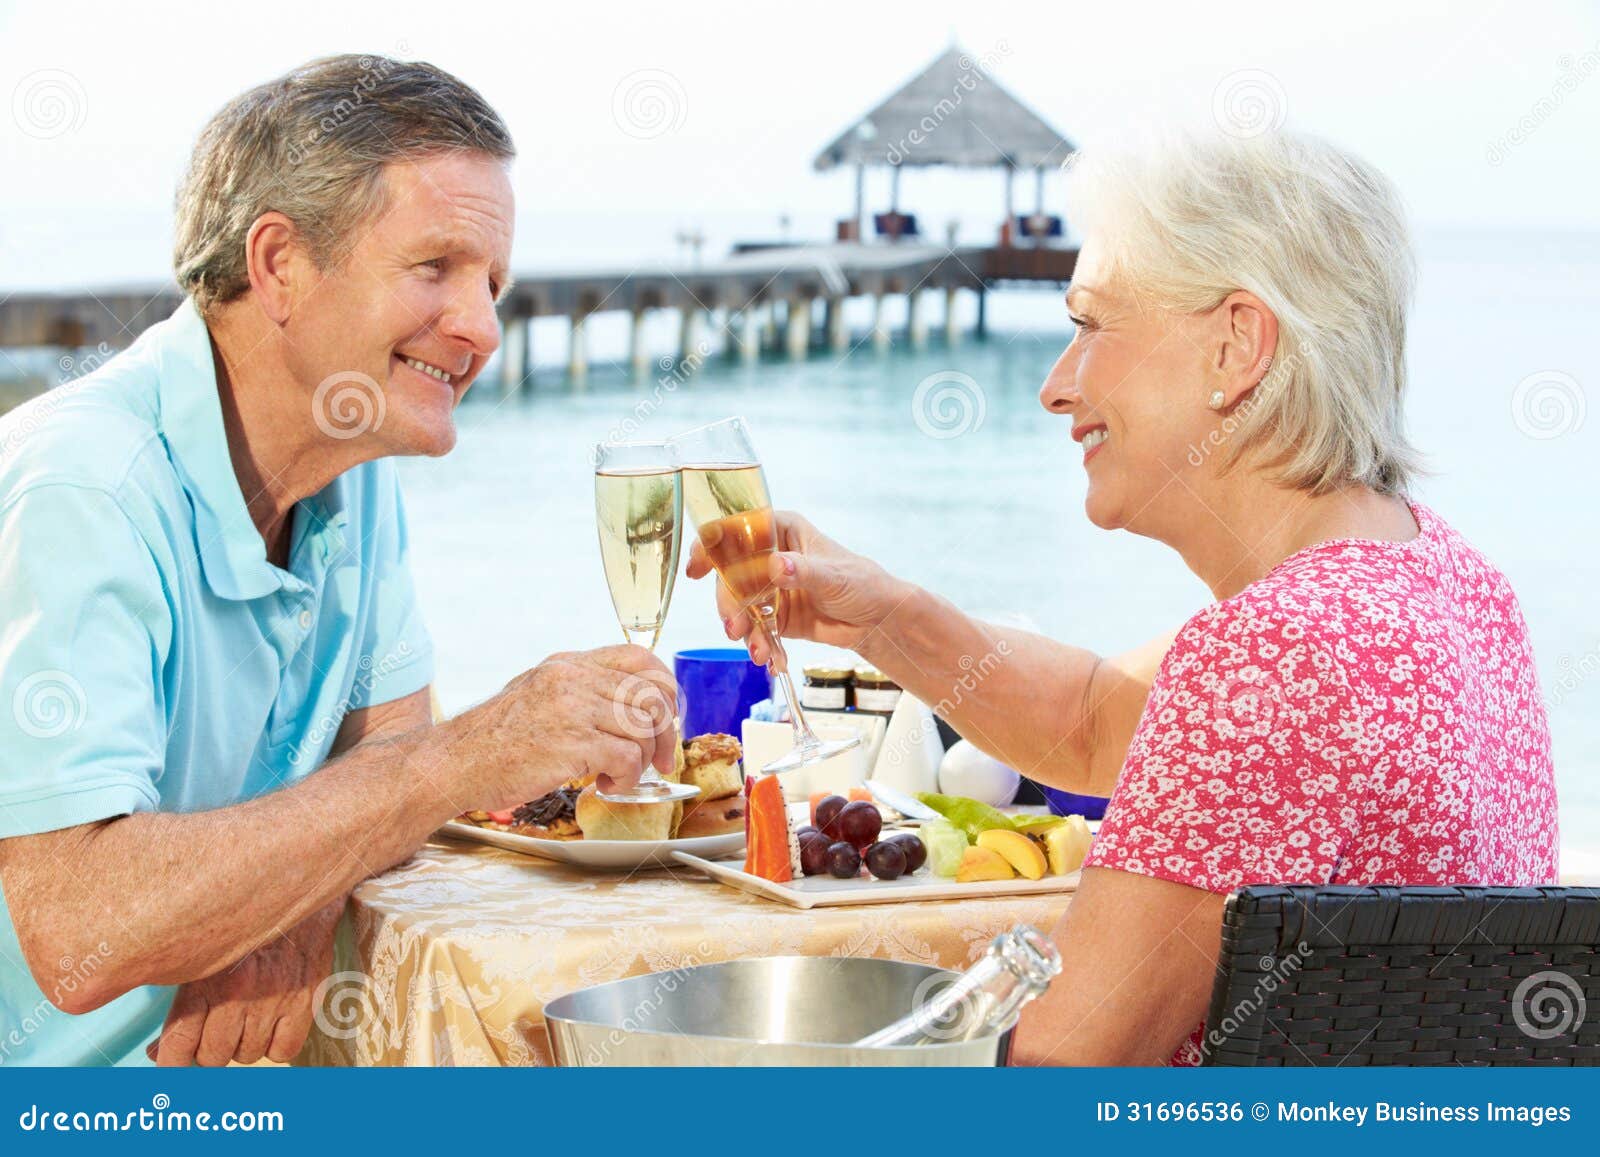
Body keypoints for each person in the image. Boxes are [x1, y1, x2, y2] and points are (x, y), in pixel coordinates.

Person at [690, 129, 1558, 1065]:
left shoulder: (1277, 655)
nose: (1055, 388)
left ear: (1236, 345)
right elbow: (1099, 718)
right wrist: (878, 614)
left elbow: (1057, 1080)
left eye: (1091, 325)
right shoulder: (1443, 581)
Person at [0, 56, 675, 1067]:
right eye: (434, 267)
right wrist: (476, 750)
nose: (482, 328)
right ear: (278, 263)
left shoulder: (348, 459)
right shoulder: (81, 489)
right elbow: (82, 928)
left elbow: (384, 746)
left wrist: (289, 911)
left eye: (492, 284)